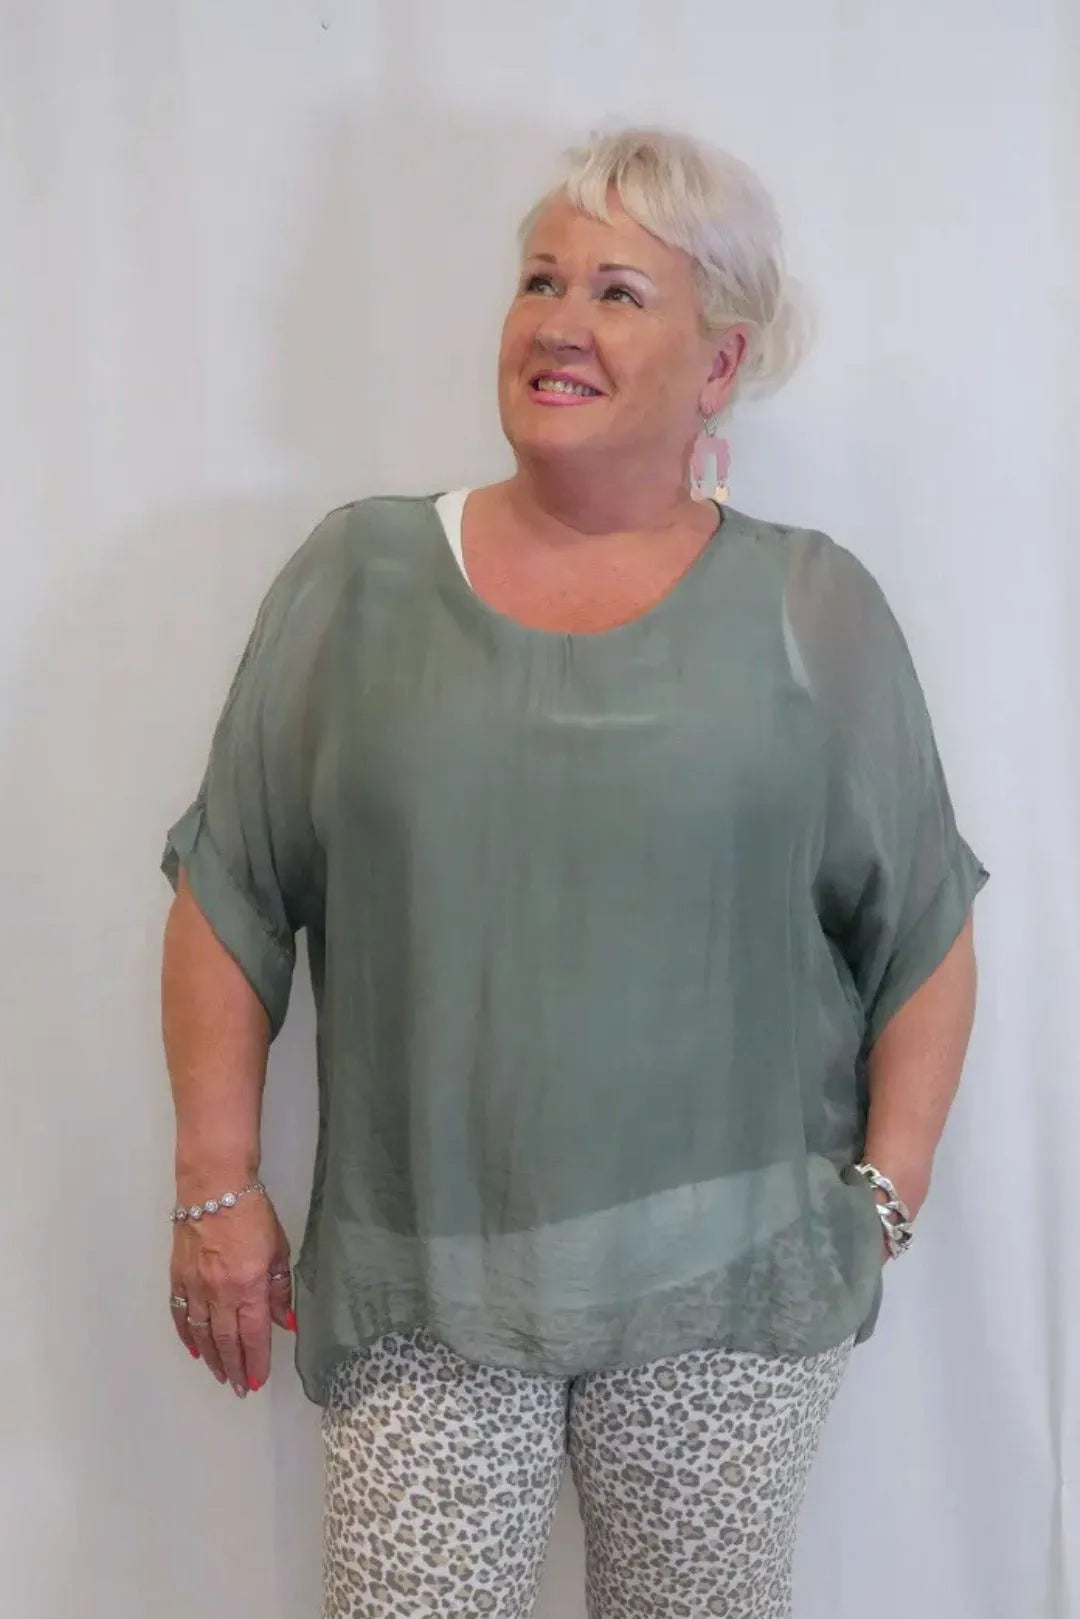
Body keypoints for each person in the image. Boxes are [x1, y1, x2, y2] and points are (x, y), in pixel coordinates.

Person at [160, 126, 987, 1619]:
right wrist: (214, 1185)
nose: (558, 322)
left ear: (718, 364)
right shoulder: (360, 582)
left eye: (617, 292)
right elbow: (232, 887)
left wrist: (883, 1197)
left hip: (729, 1289)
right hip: (421, 1287)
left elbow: (921, 925)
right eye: (541, 280)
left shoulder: (811, 609)